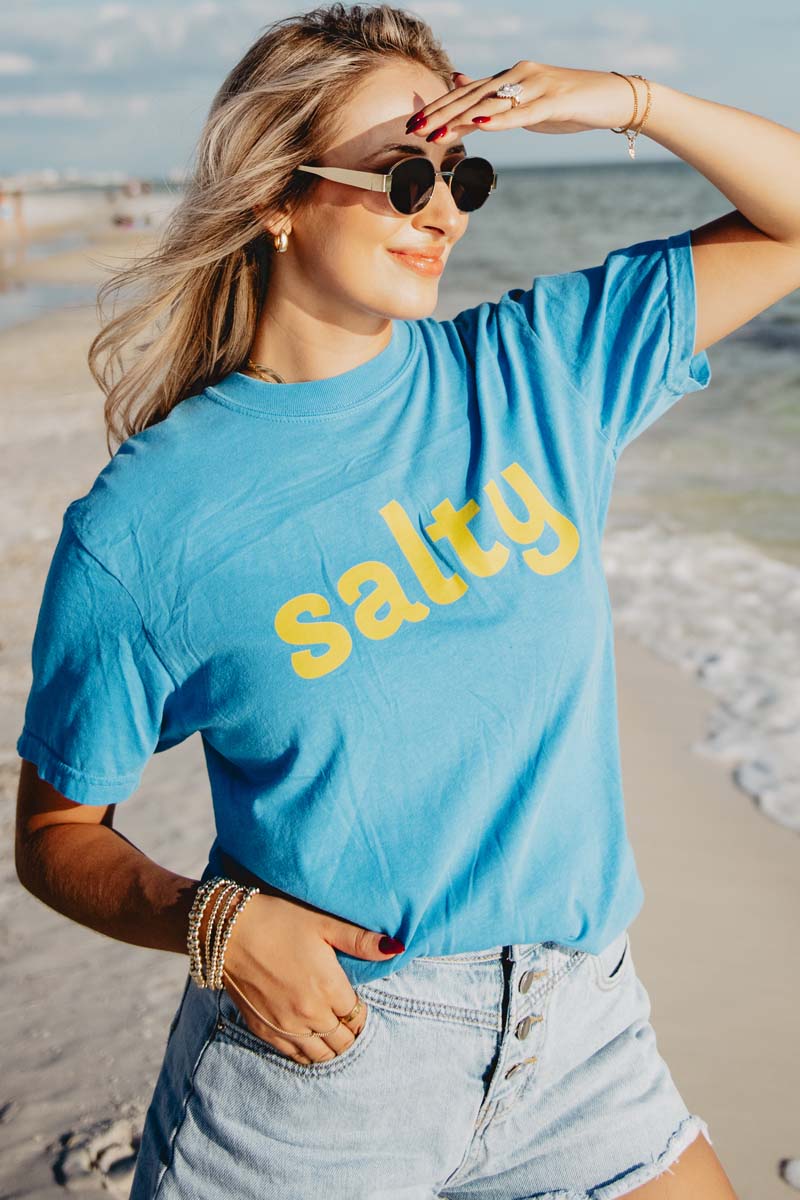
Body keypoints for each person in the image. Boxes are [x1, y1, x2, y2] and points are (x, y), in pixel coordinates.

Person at [13, 3, 800, 1197]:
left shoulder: (542, 369)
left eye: (460, 173)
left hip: (577, 1031)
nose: (441, 211)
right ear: (275, 196)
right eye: (401, 174)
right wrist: (211, 921)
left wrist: (626, 101)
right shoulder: (146, 523)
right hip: (319, 1072)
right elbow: (58, 837)